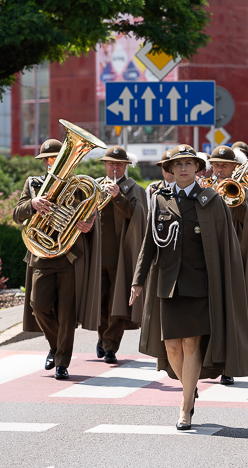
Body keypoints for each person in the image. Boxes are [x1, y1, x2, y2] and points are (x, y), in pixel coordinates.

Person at [130, 145, 248, 430]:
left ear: (197, 168)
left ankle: (185, 407)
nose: (183, 168)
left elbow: (226, 247)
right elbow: (149, 243)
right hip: (168, 284)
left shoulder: (212, 200)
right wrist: (137, 279)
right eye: (177, 164)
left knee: (191, 343)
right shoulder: (159, 199)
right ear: (169, 170)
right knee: (172, 347)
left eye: (189, 163)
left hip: (200, 284)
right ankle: (189, 388)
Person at [13, 139, 100, 380]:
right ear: (44, 162)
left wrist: (88, 226)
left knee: (67, 313)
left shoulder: (79, 186)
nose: (52, 163)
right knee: (38, 306)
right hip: (41, 255)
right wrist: (32, 204)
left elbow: (92, 217)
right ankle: (54, 345)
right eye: (48, 160)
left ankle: (62, 361)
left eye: (55, 158)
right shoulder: (33, 184)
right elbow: (16, 214)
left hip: (69, 257)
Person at [208, 145, 248, 385]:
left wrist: (235, 198)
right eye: (216, 165)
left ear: (234, 167)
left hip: (233, 264)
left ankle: (229, 366)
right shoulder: (203, 190)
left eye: (225, 165)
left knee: (231, 318)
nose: (220, 169)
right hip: (206, 261)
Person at [96, 146, 147, 364]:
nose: (114, 167)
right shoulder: (95, 186)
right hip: (96, 256)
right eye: (110, 163)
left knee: (116, 305)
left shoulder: (134, 189)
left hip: (121, 257)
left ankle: (110, 345)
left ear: (126, 165)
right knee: (98, 302)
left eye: (119, 164)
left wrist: (118, 197)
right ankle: (102, 337)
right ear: (105, 165)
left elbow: (138, 217)